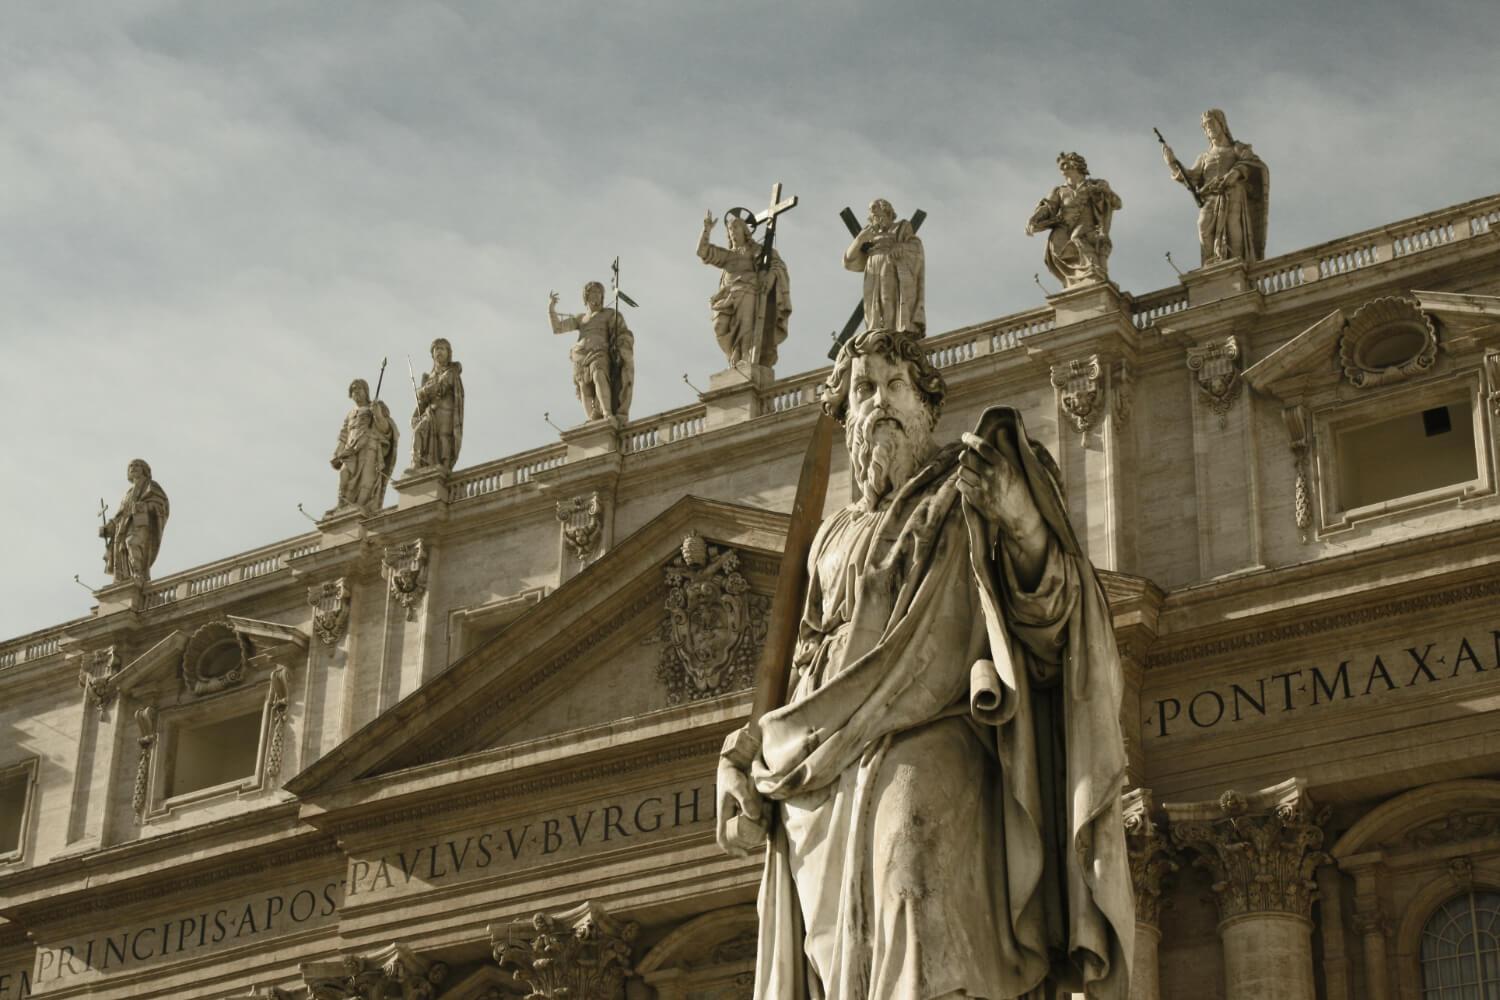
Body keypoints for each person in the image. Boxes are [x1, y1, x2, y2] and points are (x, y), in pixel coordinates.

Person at [716, 328, 1133, 999]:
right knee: (843, 957)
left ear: (926, 406)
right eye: (862, 390)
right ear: (846, 416)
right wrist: (741, 756)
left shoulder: (966, 492)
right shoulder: (831, 537)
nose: (877, 401)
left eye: (893, 385)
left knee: (915, 896)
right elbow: (799, 673)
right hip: (825, 771)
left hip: (932, 733)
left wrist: (1019, 520)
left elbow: (1052, 618)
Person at [1161, 108, 1270, 265]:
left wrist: (1235, 173)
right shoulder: (1204, 157)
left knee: (1233, 225)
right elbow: (1191, 178)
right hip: (1210, 196)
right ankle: (1210, 263)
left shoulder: (1237, 148)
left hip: (1233, 192)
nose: (1208, 128)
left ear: (1221, 124)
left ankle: (1236, 263)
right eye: (1205, 126)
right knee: (1203, 225)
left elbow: (1254, 164)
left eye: (1211, 123)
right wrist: (1172, 163)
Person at [698, 210, 792, 367]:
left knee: (746, 327)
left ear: (744, 231)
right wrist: (706, 229)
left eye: (736, 228)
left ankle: (744, 358)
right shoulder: (727, 255)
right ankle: (733, 354)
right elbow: (702, 252)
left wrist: (769, 277)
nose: (732, 232)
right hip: (727, 297)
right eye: (730, 229)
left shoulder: (757, 251)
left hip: (748, 291)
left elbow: (777, 265)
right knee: (719, 326)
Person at [1027, 152, 1123, 288]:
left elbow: (1117, 204)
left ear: (1077, 165)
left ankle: (1094, 273)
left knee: (1077, 238)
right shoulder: (1059, 191)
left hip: (1086, 223)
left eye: (1066, 163)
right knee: (1056, 249)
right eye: (1061, 165)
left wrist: (1105, 192)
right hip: (1063, 225)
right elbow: (1048, 208)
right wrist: (1034, 220)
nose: (1062, 167)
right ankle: (1075, 282)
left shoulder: (1095, 184)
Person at [548, 282, 635, 420]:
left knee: (599, 375)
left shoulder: (609, 314)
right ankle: (591, 419)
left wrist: (621, 344)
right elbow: (557, 328)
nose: (597, 295)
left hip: (599, 351)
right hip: (579, 355)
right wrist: (551, 308)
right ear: (586, 297)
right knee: (584, 387)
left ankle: (607, 413)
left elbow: (622, 332)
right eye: (593, 292)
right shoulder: (581, 318)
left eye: (599, 293)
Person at [843, 198, 926, 335]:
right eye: (871, 211)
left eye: (875, 208)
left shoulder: (901, 227)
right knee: (871, 303)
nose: (872, 213)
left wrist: (901, 247)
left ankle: (890, 334)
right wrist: (859, 239)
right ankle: (874, 332)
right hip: (871, 268)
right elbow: (848, 260)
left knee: (887, 299)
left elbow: (915, 246)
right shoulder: (868, 233)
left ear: (886, 210)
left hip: (890, 264)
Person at [332, 378, 398, 515]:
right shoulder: (350, 414)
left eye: (359, 388)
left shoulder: (376, 406)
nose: (356, 392)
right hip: (350, 450)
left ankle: (360, 506)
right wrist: (338, 451)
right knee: (344, 473)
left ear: (366, 391)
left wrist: (378, 415)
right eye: (353, 389)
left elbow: (387, 430)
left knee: (365, 481)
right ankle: (342, 504)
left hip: (369, 448)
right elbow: (344, 435)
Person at [101, 459, 170, 584]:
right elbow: (120, 514)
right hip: (124, 526)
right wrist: (109, 527)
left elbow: (161, 504)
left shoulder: (151, 485)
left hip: (141, 523)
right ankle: (124, 579)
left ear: (144, 469)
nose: (133, 467)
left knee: (132, 543)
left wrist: (146, 506)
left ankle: (138, 575)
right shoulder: (128, 493)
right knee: (122, 551)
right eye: (131, 466)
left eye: (137, 465)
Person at [410, 338, 464, 472]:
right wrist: (416, 413)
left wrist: (422, 391)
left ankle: (444, 466)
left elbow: (440, 388)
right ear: (432, 354)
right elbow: (423, 401)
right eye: (436, 349)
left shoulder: (451, 372)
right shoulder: (430, 376)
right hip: (430, 412)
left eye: (442, 348)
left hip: (445, 412)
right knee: (419, 431)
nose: (439, 351)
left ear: (448, 353)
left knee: (443, 437)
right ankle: (416, 462)